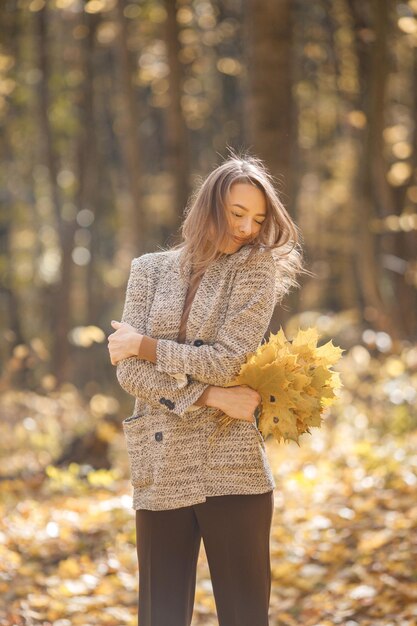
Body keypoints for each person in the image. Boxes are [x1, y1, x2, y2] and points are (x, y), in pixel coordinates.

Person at [107, 150, 305, 626]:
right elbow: (127, 372)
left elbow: (226, 360)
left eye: (258, 219)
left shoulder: (255, 270)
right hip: (160, 465)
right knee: (161, 616)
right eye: (237, 213)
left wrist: (147, 346)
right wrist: (213, 396)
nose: (247, 228)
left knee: (244, 616)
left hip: (232, 465)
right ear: (209, 207)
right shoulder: (147, 269)